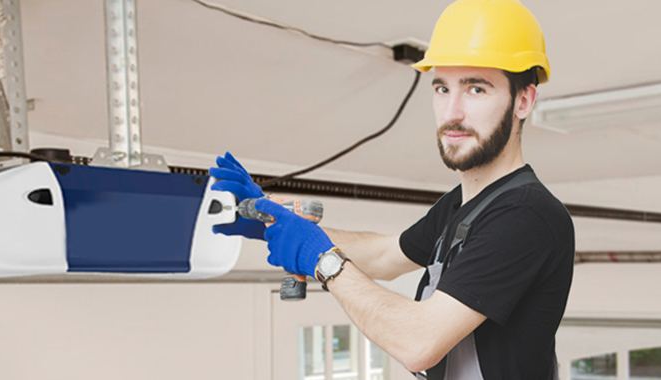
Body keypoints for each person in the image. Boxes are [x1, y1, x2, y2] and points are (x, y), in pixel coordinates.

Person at [210, 1, 573, 378]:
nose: (452, 112)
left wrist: (322, 258)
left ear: (524, 100)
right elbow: (385, 256)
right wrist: (274, 221)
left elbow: (419, 344)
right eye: (442, 88)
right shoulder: (463, 205)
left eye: (476, 89)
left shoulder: (527, 215)